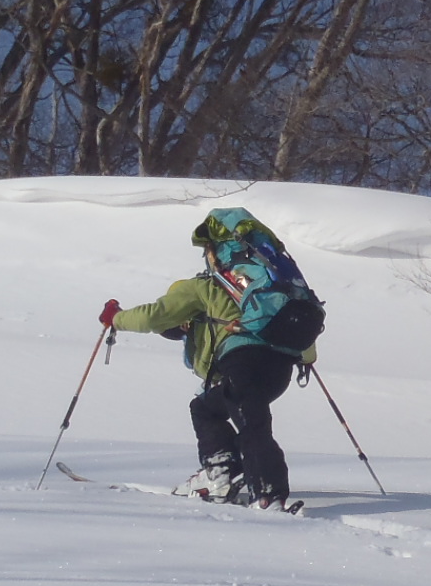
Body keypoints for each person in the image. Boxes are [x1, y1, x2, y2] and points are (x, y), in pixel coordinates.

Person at [101, 211, 317, 509]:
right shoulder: (274, 286)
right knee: (206, 408)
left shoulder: (204, 287)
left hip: (242, 362)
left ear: (215, 250)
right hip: (279, 371)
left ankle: (268, 495)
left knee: (252, 425)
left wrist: (115, 319)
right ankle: (222, 470)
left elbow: (155, 315)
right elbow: (305, 342)